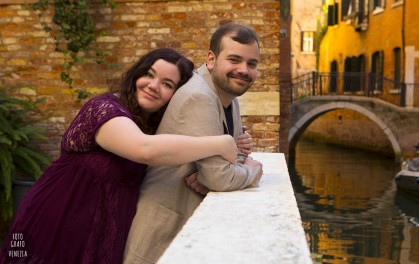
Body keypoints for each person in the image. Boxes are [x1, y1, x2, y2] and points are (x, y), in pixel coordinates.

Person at [0, 48, 251, 264]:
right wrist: (221, 143)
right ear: (136, 75)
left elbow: (176, 145)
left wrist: (216, 161)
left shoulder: (152, 125)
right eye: (149, 75)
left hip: (105, 228)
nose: (153, 86)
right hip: (59, 218)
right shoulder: (105, 109)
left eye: (167, 84)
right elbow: (145, 150)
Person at [123, 22, 264, 263]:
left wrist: (223, 170)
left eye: (251, 64)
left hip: (184, 229)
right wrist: (252, 171)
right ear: (211, 59)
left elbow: (232, 158)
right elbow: (220, 177)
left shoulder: (229, 95)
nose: (243, 70)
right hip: (161, 231)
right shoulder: (200, 96)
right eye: (234, 59)